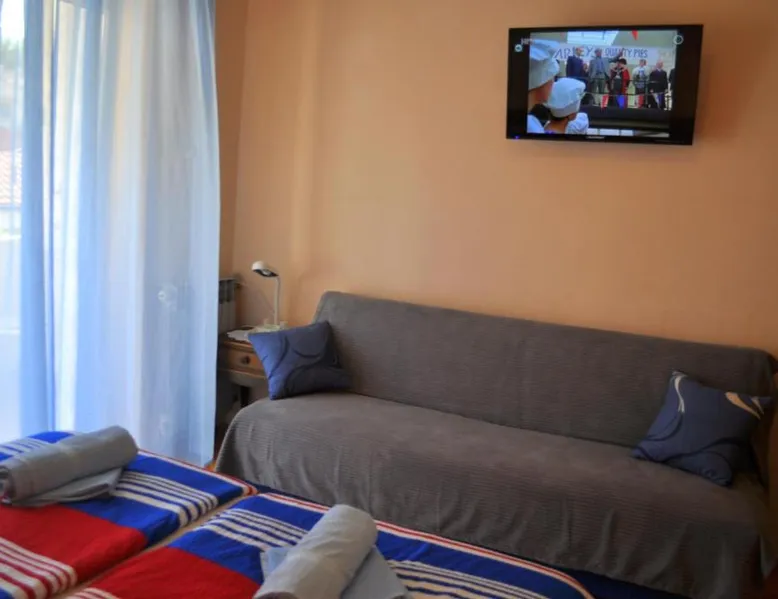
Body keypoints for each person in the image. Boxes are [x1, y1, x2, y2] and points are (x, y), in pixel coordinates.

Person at [527, 39, 560, 134]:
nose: (553, 83)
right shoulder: (531, 127)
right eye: (552, 78)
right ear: (541, 82)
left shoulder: (531, 123)